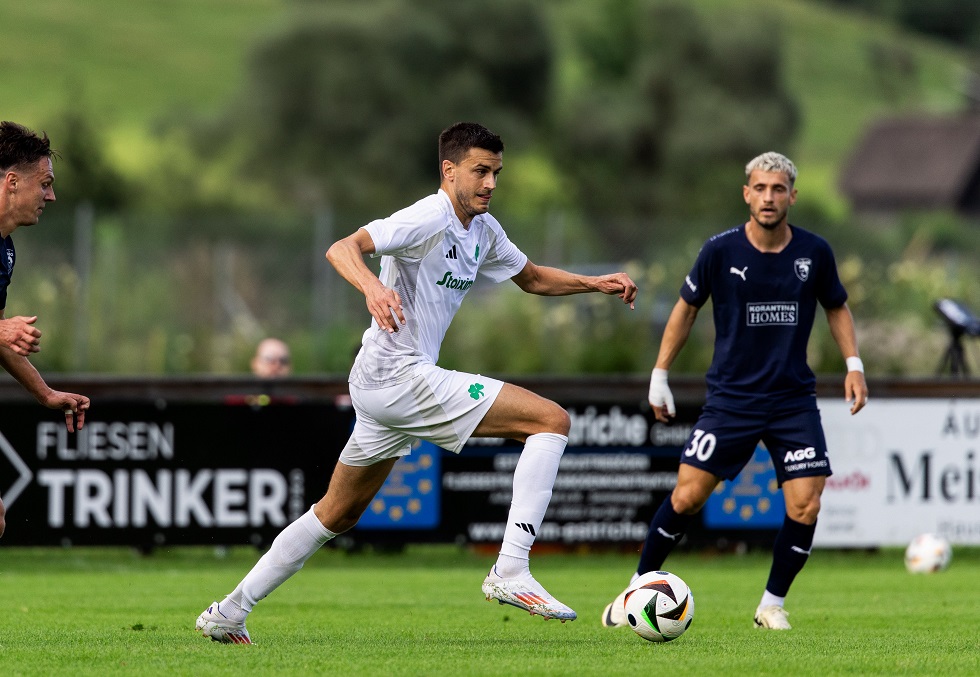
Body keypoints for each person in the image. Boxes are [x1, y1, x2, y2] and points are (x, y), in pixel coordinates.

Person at [196, 121, 638, 643]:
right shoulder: (428, 216)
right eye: (480, 171)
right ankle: (511, 569)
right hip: (398, 375)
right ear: (449, 170)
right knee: (550, 420)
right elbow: (342, 247)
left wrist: (594, 283)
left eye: (496, 173)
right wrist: (372, 288)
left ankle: (229, 611)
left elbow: (533, 277)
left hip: (383, 384)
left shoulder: (484, 230)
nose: (491, 183)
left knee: (336, 514)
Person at [601, 152, 868, 631]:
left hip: (792, 400)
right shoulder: (720, 251)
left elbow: (837, 306)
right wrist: (660, 374)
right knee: (687, 497)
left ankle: (771, 605)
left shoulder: (815, 252)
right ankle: (634, 590)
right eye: (760, 188)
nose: (768, 197)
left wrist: (854, 365)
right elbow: (685, 309)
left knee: (807, 503)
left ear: (792, 195)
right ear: (747, 193)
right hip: (731, 400)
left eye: (778, 189)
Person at [0, 121, 91, 538]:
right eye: (45, 184)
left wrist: (45, 393)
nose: (50, 197)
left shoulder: (5, 249)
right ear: (12, 182)